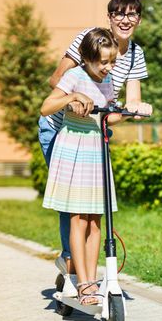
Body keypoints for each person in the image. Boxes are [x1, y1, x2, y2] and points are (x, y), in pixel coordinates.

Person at [37, 0, 152, 280]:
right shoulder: (90, 39)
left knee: (89, 209)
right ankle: (72, 265)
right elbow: (57, 80)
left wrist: (135, 110)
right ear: (110, 16)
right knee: (71, 205)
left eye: (132, 14)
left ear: (139, 18)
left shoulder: (135, 55)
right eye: (120, 14)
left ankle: (77, 269)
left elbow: (126, 103)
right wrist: (75, 98)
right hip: (60, 128)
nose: (126, 20)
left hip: (91, 135)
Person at [41, 28, 132, 305]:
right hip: (74, 149)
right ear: (87, 58)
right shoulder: (74, 76)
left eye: (112, 61)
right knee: (78, 218)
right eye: (103, 62)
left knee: (95, 220)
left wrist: (128, 113)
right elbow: (46, 107)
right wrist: (72, 98)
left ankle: (90, 283)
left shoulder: (109, 81)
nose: (109, 67)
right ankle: (83, 285)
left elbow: (107, 117)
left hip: (96, 148)